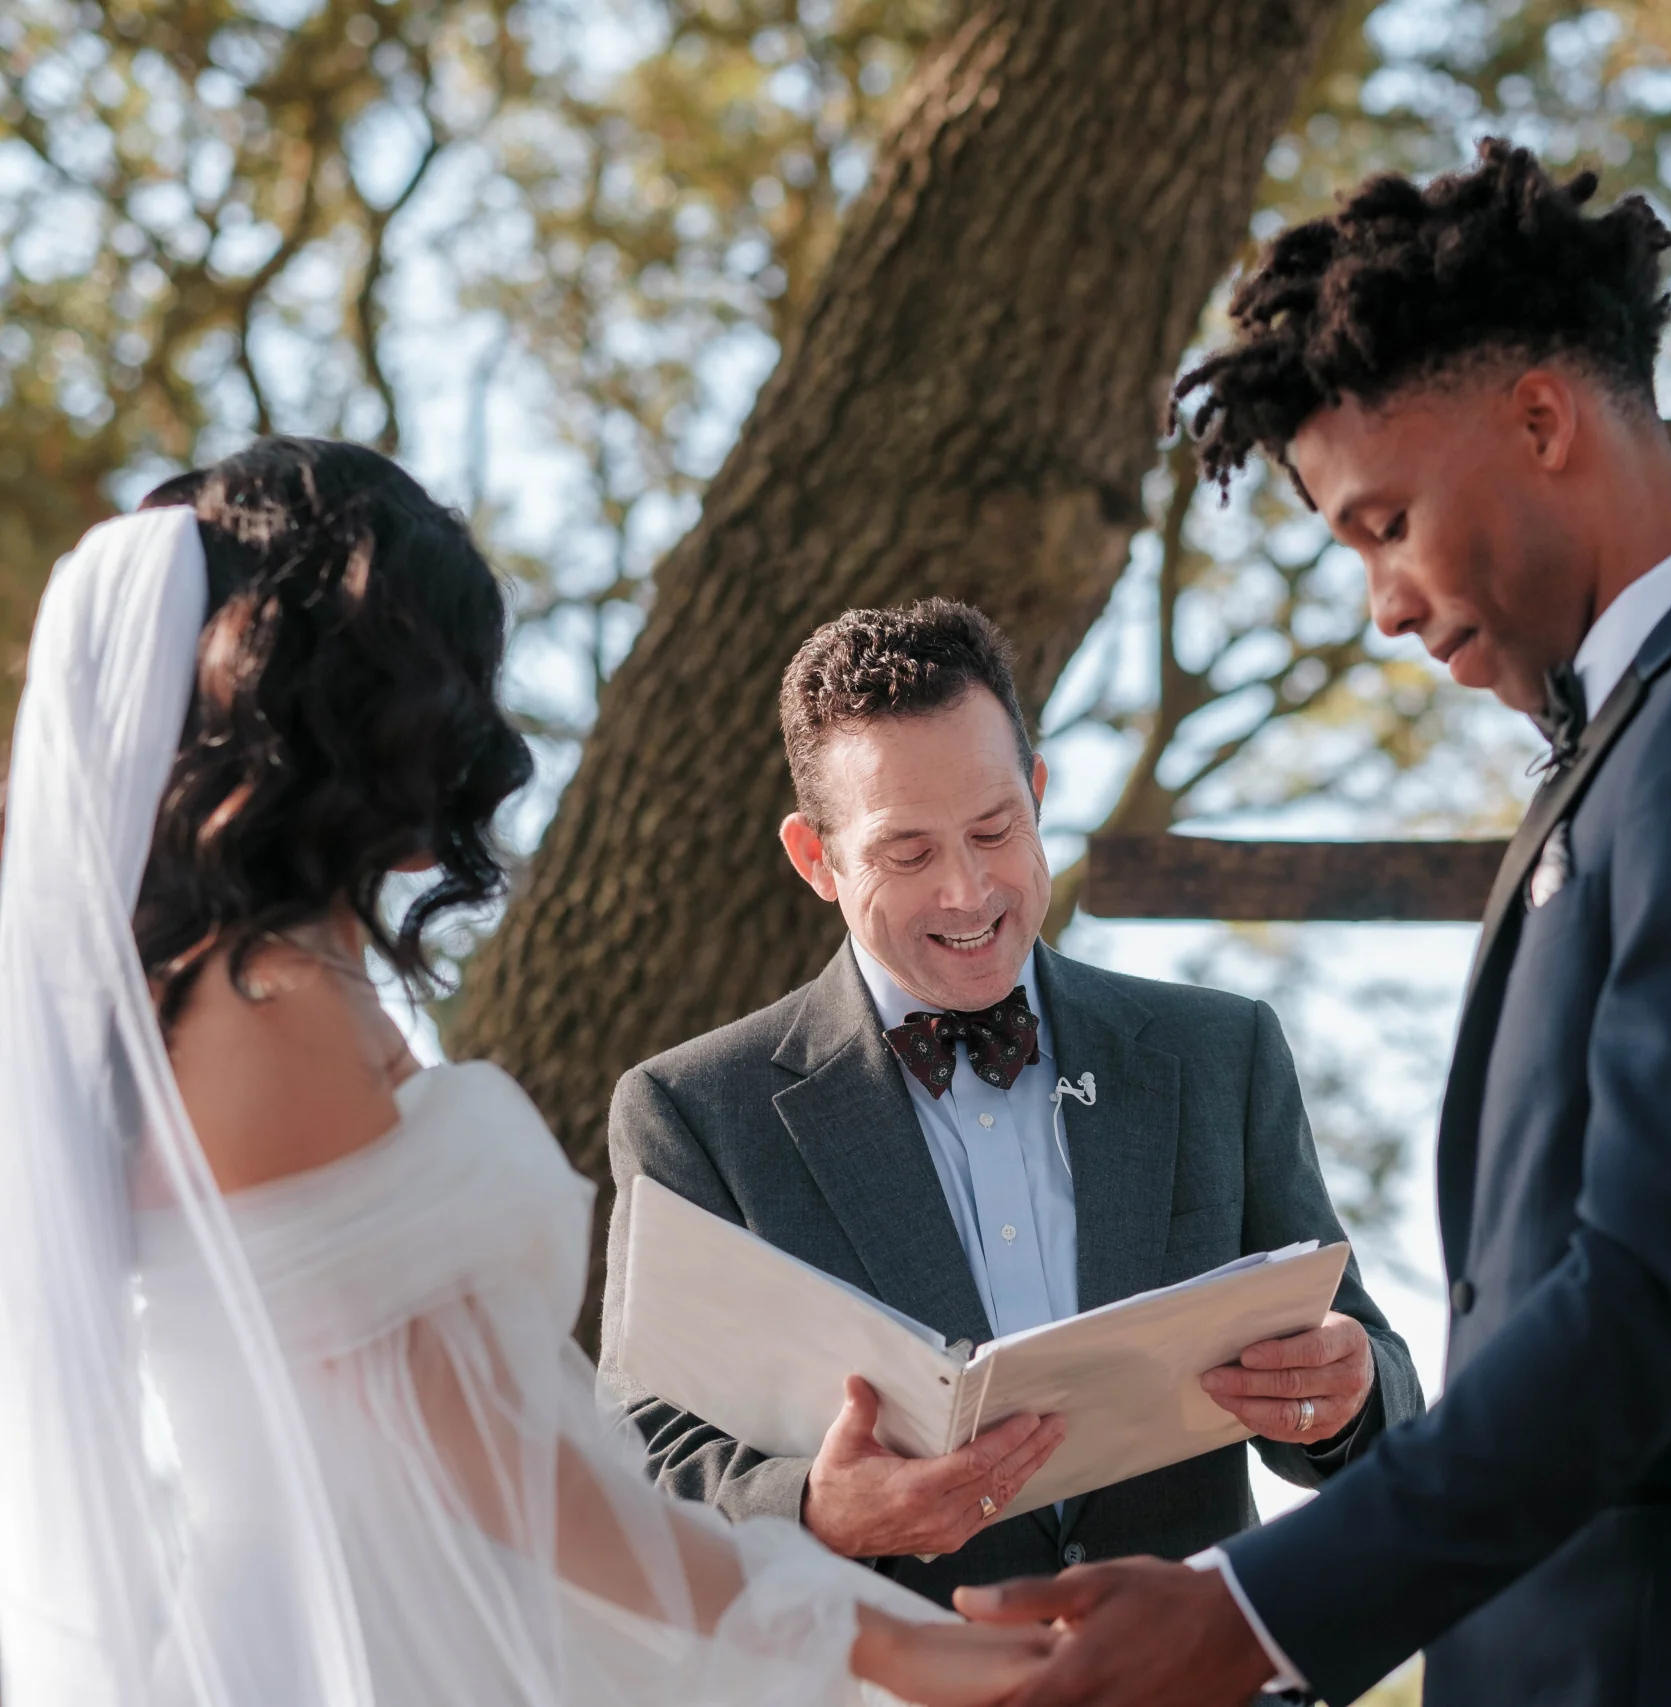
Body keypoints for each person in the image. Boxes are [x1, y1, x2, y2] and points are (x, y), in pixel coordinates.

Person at [959, 141, 1671, 1707]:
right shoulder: (1651, 743)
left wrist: (1248, 1612)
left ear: (1542, 417)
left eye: (1386, 522)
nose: (1379, 601)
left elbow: (1652, 1297)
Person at [0, 437, 1056, 1707]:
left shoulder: (264, 979)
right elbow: (495, 1466)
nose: (474, 727)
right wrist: (885, 1645)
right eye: (450, 674)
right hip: (392, 1647)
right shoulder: (260, 1005)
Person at [596, 600, 1422, 1606]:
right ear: (817, 861)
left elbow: (1371, 1379)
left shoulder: (1220, 1053)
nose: (968, 890)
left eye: (995, 829)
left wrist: (1345, 1393)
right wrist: (813, 1511)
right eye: (908, 853)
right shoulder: (691, 1113)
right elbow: (641, 1461)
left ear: (1036, 792)